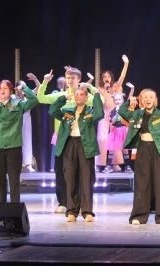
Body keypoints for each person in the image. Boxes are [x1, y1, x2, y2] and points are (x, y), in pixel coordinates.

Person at [118, 86, 160, 225]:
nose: (148, 99)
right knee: (142, 183)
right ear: (142, 100)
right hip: (143, 149)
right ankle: (139, 216)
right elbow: (122, 111)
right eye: (145, 97)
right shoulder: (137, 114)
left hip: (159, 150)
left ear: (155, 100)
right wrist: (129, 101)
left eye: (151, 97)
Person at [37, 67, 93, 214]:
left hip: (80, 138)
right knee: (61, 170)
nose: (70, 80)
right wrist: (45, 82)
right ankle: (63, 202)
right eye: (68, 78)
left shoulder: (84, 96)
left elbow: (98, 103)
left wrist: (90, 88)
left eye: (73, 78)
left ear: (79, 80)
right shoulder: (60, 96)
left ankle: (78, 202)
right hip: (62, 138)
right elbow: (40, 98)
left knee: (79, 171)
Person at [49, 83, 103, 223]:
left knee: (86, 179)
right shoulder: (67, 111)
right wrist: (63, 98)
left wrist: (96, 93)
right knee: (70, 178)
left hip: (85, 145)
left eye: (81, 94)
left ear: (86, 98)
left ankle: (87, 211)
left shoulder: (90, 111)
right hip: (69, 145)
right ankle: (72, 211)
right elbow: (52, 111)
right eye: (76, 94)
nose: (78, 96)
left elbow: (100, 113)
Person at [97, 54, 129, 173]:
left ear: (111, 78)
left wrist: (126, 64)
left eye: (108, 76)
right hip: (104, 116)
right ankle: (102, 164)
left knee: (116, 139)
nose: (106, 78)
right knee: (103, 139)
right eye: (104, 76)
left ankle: (116, 164)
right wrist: (105, 90)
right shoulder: (100, 89)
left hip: (115, 115)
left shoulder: (116, 87)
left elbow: (122, 76)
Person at [15, 80, 36, 172]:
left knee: (27, 141)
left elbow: (38, 88)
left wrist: (35, 79)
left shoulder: (28, 98)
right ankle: (18, 163)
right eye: (21, 86)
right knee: (18, 142)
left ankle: (28, 164)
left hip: (27, 121)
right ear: (17, 88)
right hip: (17, 121)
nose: (23, 88)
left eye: (25, 86)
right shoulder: (13, 98)